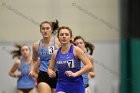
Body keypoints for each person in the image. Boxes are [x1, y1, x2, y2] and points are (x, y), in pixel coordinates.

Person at [48, 26, 92, 93]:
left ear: (71, 37)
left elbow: (89, 65)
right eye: (61, 35)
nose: (64, 36)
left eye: (67, 34)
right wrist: (50, 73)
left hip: (76, 85)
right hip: (61, 84)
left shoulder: (76, 50)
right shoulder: (55, 53)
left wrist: (75, 74)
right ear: (58, 38)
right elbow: (50, 68)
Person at [29, 20, 60, 93]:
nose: (45, 31)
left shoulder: (58, 42)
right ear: (40, 30)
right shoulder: (36, 45)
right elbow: (34, 60)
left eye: (47, 28)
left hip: (57, 74)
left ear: (51, 30)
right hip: (43, 74)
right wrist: (32, 70)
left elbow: (67, 54)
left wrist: (57, 61)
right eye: (43, 29)